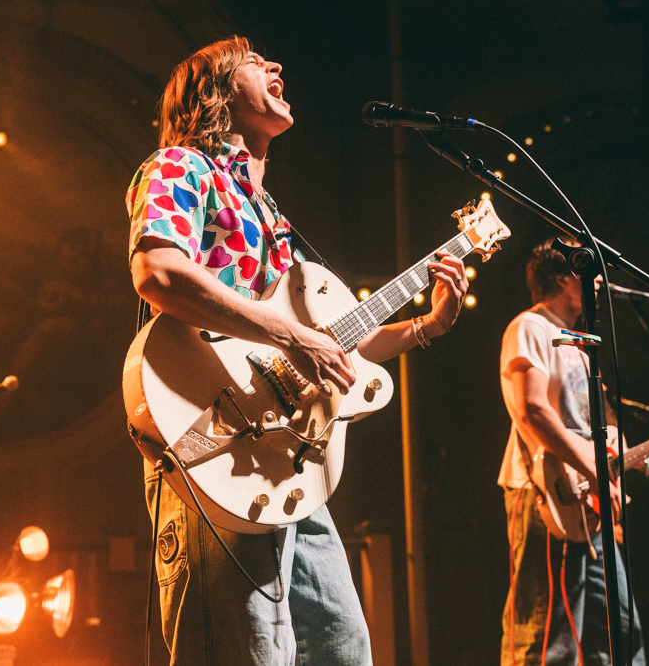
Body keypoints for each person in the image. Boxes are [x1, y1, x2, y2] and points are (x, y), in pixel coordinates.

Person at [126, 36, 469, 665]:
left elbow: (340, 338)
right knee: (247, 653)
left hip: (285, 461)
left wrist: (427, 326)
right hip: (212, 444)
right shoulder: (180, 168)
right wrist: (289, 335)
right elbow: (158, 271)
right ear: (214, 94)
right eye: (255, 63)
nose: (277, 66)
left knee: (343, 649)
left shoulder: (274, 218)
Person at [497, 240, 649, 666]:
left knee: (618, 631)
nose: (601, 282)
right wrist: (595, 473)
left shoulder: (582, 344)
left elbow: (599, 437)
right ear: (564, 278)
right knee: (547, 634)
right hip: (546, 495)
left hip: (591, 504)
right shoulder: (532, 328)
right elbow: (532, 409)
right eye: (591, 274)